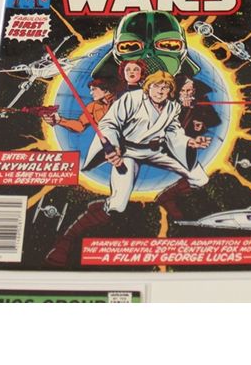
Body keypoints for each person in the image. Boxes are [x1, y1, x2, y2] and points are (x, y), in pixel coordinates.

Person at [44, 70, 211, 266]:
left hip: (156, 150)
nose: (160, 91)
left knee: (200, 178)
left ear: (170, 90)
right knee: (118, 205)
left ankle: (166, 197)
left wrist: (190, 142)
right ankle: (65, 242)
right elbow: (110, 124)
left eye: (165, 87)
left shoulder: (172, 107)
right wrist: (113, 147)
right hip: (127, 151)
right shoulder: (132, 99)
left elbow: (174, 132)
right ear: (148, 86)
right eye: (156, 86)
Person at [44, 78, 113, 134]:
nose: (91, 93)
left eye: (93, 89)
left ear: (105, 89)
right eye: (90, 90)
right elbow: (80, 126)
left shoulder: (117, 98)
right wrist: (59, 120)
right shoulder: (92, 107)